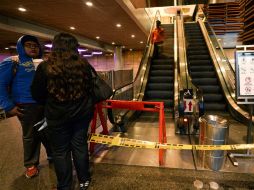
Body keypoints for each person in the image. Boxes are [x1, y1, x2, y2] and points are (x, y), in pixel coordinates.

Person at [31, 33, 95, 190]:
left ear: (55, 46)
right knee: (79, 146)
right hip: (81, 114)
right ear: (75, 47)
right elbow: (90, 88)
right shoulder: (84, 65)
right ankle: (84, 180)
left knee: (60, 151)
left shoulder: (45, 67)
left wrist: (51, 104)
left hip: (57, 116)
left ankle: (65, 185)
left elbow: (37, 94)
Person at [0, 35, 52, 178]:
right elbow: (0, 85)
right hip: (26, 106)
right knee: (30, 136)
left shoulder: (43, 62)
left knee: (48, 132)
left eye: (35, 45)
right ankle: (30, 164)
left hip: (45, 104)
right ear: (21, 47)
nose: (33, 47)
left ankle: (52, 155)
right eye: (28, 45)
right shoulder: (12, 62)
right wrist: (8, 106)